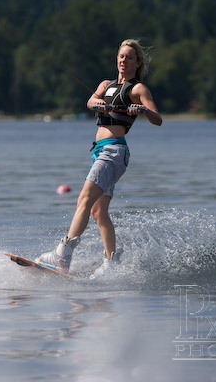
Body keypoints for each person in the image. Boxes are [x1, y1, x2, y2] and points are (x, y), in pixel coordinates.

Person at [36, 38, 162, 278]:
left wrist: (143, 110)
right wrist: (99, 104)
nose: (124, 61)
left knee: (83, 199)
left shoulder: (138, 90)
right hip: (100, 152)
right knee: (98, 211)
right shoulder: (106, 84)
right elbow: (90, 101)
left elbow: (158, 119)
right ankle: (110, 262)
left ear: (138, 63)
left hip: (114, 152)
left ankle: (62, 255)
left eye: (130, 58)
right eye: (121, 56)